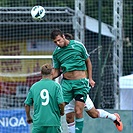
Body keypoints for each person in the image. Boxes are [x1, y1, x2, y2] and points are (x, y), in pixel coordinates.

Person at [51, 29, 123, 133]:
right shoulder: (56, 53)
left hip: (80, 84)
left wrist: (90, 78)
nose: (58, 43)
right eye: (55, 42)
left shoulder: (78, 46)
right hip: (66, 85)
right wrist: (48, 79)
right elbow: (57, 71)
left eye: (58, 40)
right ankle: (114, 117)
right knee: (72, 116)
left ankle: (114, 118)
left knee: (79, 111)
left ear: (63, 36)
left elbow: (88, 62)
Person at [24, 63, 65, 133]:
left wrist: (28, 117)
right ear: (52, 72)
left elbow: (27, 104)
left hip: (38, 123)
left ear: (41, 73)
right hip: (53, 122)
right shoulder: (56, 86)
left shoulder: (34, 86)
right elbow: (61, 103)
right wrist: (62, 111)